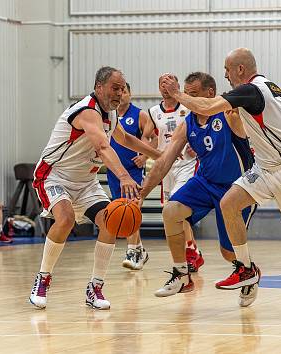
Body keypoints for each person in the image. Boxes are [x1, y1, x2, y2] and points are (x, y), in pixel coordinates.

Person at [160, 47, 281, 304]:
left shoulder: (251, 90)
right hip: (264, 166)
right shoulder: (262, 90)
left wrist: (177, 94)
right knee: (228, 203)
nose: (225, 75)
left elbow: (209, 107)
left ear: (240, 70)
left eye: (227, 70)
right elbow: (248, 131)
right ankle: (246, 268)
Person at [29, 66, 161, 310]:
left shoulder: (110, 114)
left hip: (86, 182)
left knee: (110, 222)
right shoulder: (88, 111)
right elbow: (102, 146)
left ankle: (95, 287)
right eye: (115, 88)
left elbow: (124, 139)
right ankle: (43, 278)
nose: (120, 93)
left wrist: (158, 154)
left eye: (122, 89)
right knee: (65, 219)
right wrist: (123, 175)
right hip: (55, 176)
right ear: (99, 87)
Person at [141, 72, 257, 306]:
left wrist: (176, 94)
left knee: (228, 252)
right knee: (171, 211)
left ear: (210, 94)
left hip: (237, 188)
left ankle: (248, 272)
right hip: (205, 182)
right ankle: (182, 275)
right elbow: (164, 161)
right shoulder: (188, 123)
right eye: (185, 94)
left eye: (191, 95)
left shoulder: (229, 113)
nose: (185, 100)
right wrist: (142, 195)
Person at [148, 76, 205, 273]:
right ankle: (193, 252)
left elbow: (201, 126)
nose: (165, 87)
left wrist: (197, 147)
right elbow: (149, 137)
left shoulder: (187, 106)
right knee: (172, 212)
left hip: (186, 165)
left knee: (178, 206)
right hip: (167, 167)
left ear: (177, 87)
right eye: (161, 84)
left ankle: (190, 253)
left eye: (168, 83)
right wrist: (144, 153)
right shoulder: (154, 112)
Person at [105, 82, 155, 270]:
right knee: (123, 212)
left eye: (124, 91)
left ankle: (133, 251)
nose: (122, 95)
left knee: (131, 208)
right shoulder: (109, 116)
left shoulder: (139, 115)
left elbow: (153, 137)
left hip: (132, 172)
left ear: (130, 94)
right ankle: (140, 250)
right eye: (118, 91)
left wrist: (145, 156)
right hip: (114, 171)